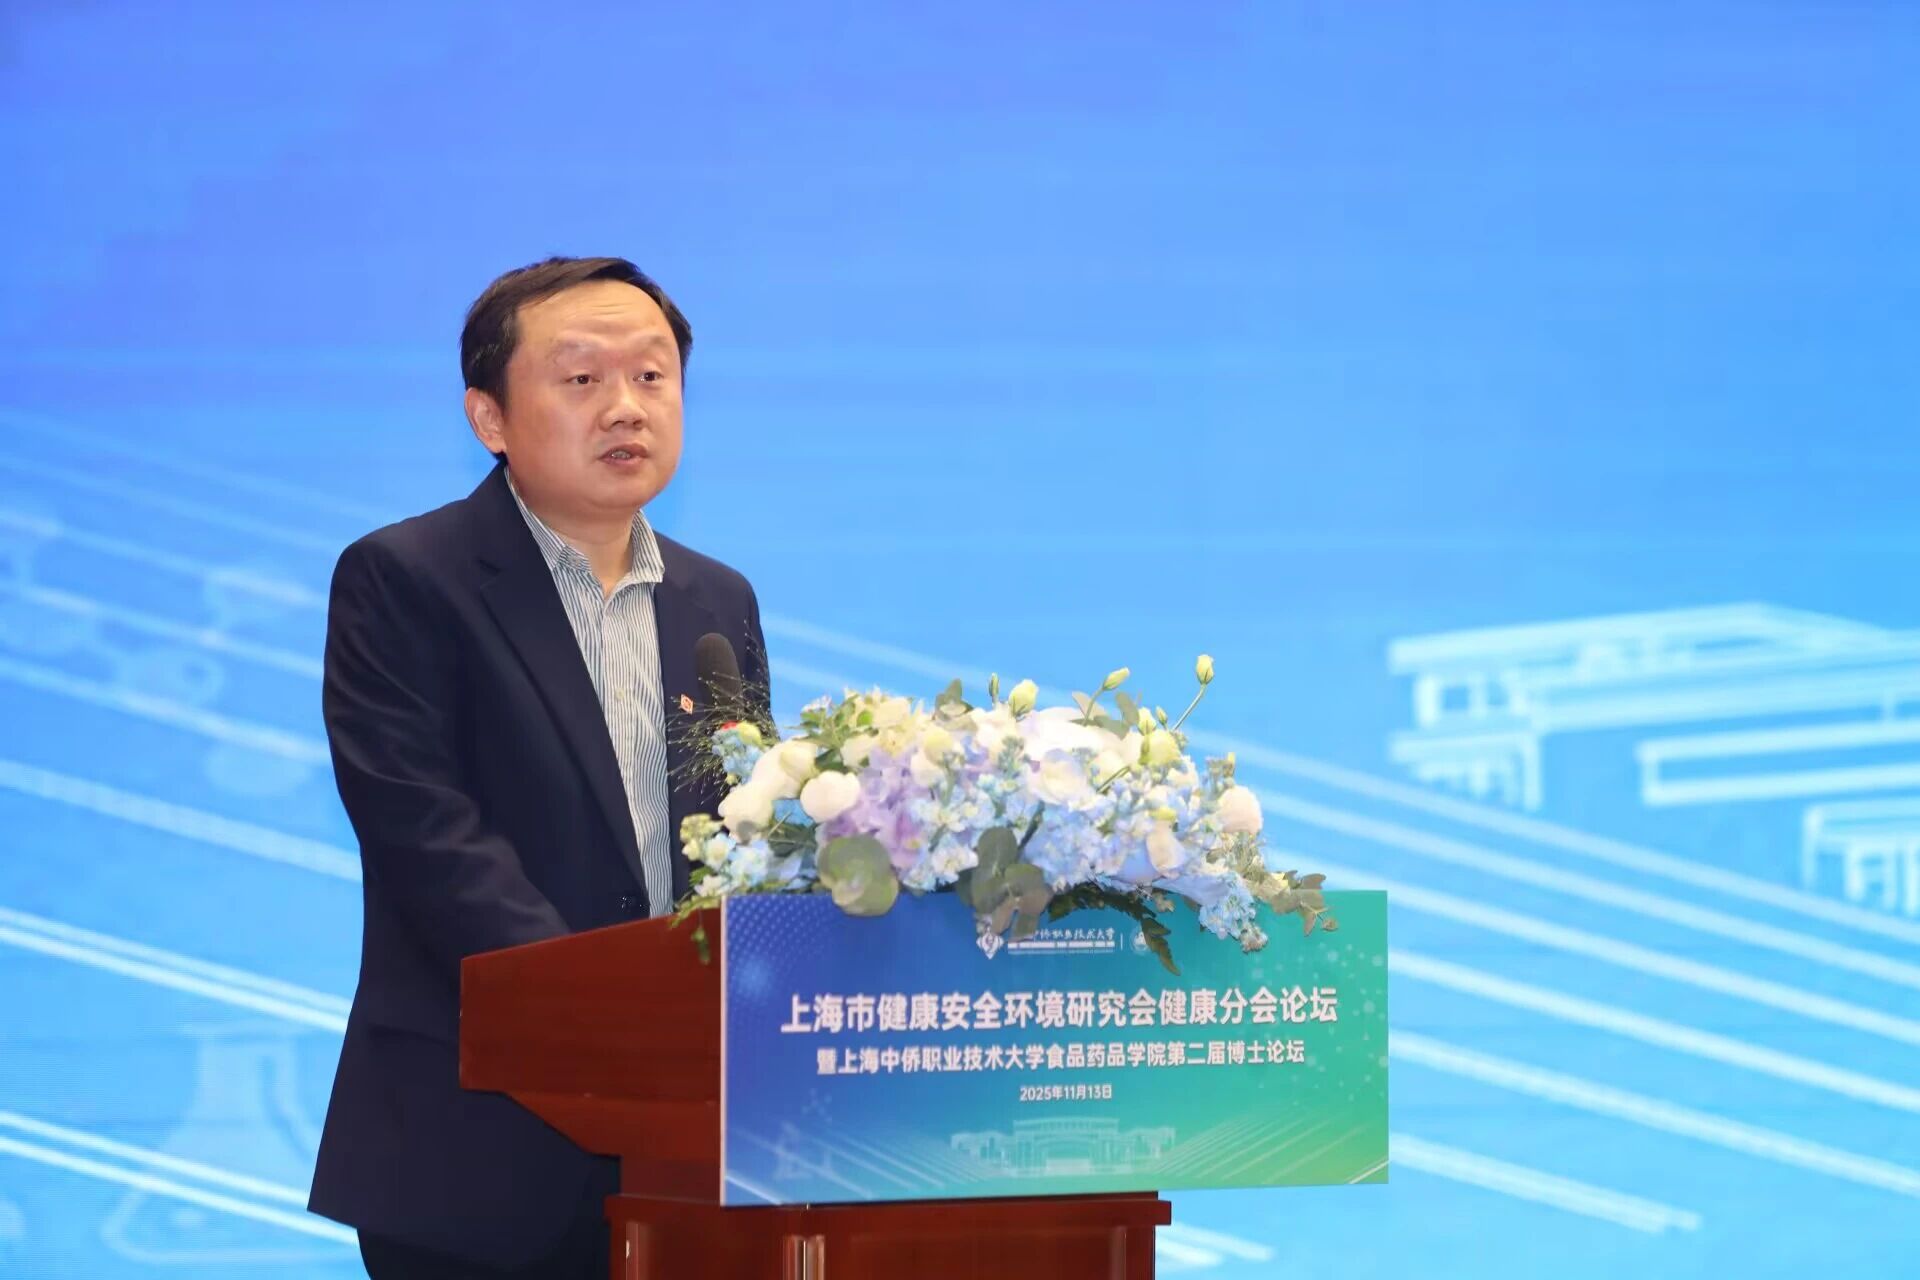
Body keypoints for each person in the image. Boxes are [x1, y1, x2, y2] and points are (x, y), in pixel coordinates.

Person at [306, 257, 768, 1277]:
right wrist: (607, 1017)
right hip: (479, 1142)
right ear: (490, 417)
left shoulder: (718, 600)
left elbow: (742, 837)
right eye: (582, 378)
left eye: (651, 376)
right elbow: (426, 831)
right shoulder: (406, 578)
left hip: (689, 1148)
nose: (626, 406)